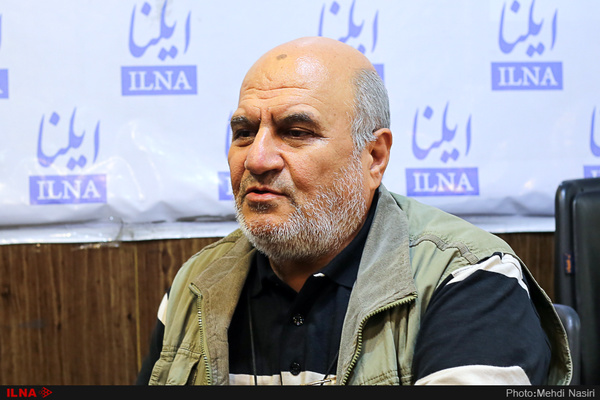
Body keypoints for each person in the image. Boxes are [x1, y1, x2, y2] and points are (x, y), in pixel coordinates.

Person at [137, 36, 571, 385]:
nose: (257, 159)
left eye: (296, 131)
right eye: (244, 132)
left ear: (374, 157)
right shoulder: (195, 286)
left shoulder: (470, 277)